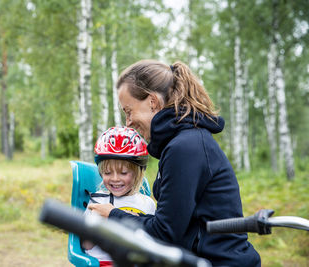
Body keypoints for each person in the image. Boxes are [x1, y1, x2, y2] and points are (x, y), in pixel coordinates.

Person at [88, 60, 261, 266]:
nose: (128, 122)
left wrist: (113, 215)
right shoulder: (181, 143)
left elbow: (163, 233)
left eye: (128, 111)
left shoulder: (185, 147)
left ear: (152, 101)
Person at [83, 126, 156, 267]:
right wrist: (97, 221)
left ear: (137, 173)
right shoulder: (97, 201)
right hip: (101, 263)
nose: (115, 179)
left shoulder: (147, 204)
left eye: (123, 173)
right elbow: (86, 245)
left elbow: (152, 244)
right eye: (108, 172)